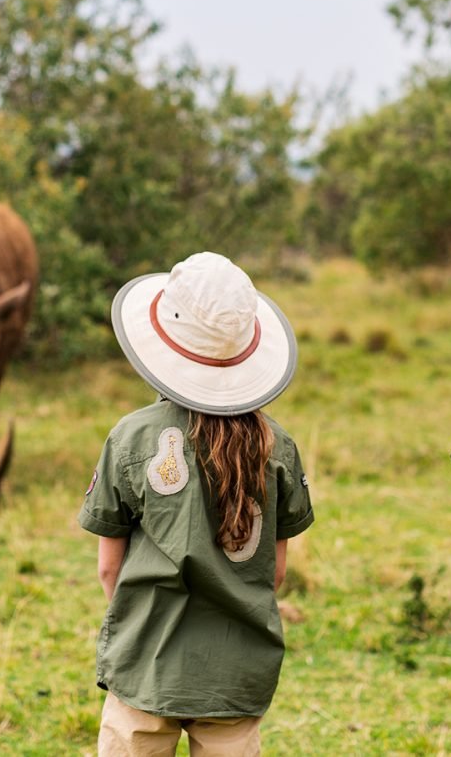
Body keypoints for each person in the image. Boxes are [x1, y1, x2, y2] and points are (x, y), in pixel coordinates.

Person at [80, 252, 314, 757]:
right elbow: (274, 573)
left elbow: (108, 569)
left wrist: (142, 630)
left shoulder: (130, 437)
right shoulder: (279, 447)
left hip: (144, 665)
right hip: (235, 674)